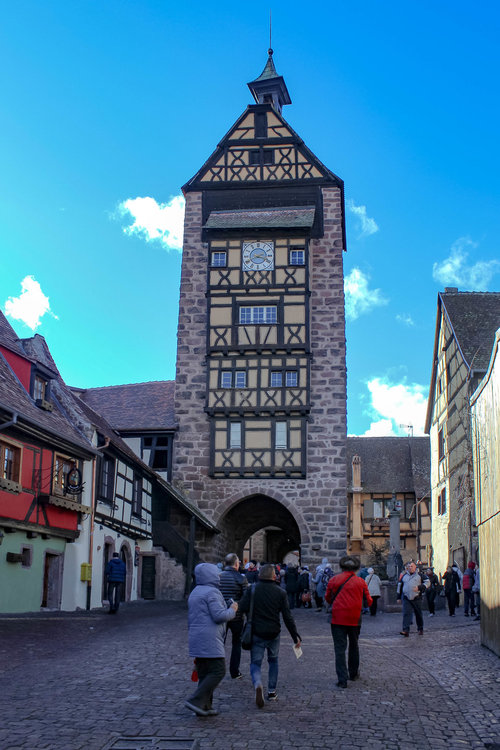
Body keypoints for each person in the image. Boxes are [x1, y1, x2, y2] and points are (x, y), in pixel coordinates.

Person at [239, 563, 301, 707]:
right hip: (274, 632)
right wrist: (295, 636)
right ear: (274, 576)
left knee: (255, 662)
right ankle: (272, 691)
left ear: (260, 575)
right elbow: (287, 617)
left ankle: (258, 683)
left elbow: (241, 607)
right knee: (273, 661)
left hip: (257, 631)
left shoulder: (252, 589)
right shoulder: (280, 592)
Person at [185, 563, 238, 717]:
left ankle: (205, 706)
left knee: (204, 672)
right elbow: (219, 616)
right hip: (210, 637)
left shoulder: (195, 591)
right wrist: (232, 609)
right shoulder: (212, 592)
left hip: (197, 636)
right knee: (218, 671)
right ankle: (196, 700)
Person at [325, 556, 372, 688]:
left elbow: (328, 598)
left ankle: (342, 679)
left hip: (338, 618)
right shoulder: (360, 582)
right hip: (355, 618)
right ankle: (353, 673)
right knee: (354, 645)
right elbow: (368, 601)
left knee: (339, 649)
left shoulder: (334, 580)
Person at [219, 553, 249, 679]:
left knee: (219, 643)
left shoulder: (218, 577)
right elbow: (246, 598)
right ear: (236, 564)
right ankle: (234, 671)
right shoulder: (241, 578)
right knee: (236, 643)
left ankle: (218, 670)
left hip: (221, 615)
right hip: (237, 616)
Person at [396, 561, 428, 636]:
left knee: (418, 614)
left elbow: (427, 582)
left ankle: (420, 628)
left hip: (417, 597)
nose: (410, 568)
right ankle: (405, 630)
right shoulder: (404, 576)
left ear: (415, 567)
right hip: (406, 597)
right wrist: (398, 597)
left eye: (412, 566)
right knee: (406, 613)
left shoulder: (420, 575)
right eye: (409, 566)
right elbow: (399, 586)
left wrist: (420, 587)